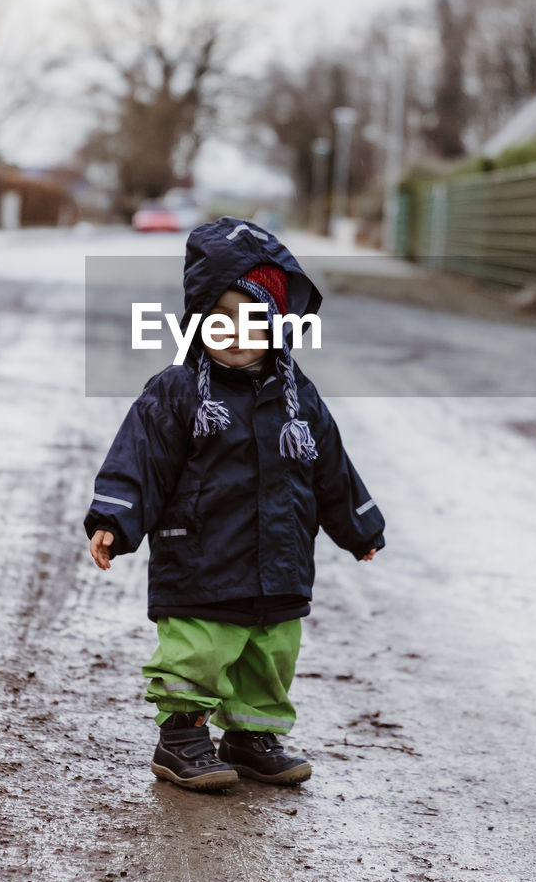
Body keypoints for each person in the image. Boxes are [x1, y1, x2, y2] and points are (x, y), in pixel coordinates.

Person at [83, 216, 386, 791]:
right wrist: (113, 521)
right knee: (197, 651)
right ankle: (182, 737)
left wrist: (358, 527)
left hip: (281, 558)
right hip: (201, 556)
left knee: (271, 655)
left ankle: (252, 736)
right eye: (219, 320)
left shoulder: (298, 395)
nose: (236, 333)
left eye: (253, 322)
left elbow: (331, 468)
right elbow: (138, 460)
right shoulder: (176, 391)